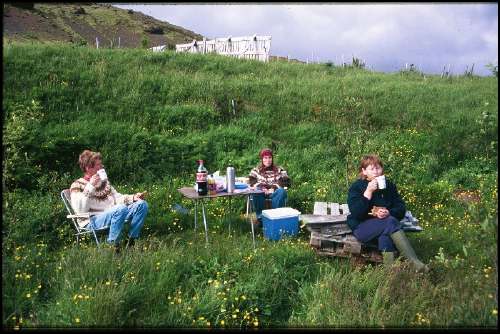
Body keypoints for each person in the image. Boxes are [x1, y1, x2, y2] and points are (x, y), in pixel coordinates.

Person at [346, 154, 429, 272]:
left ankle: (389, 273)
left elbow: (401, 208)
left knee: (386, 235)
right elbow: (356, 213)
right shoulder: (357, 187)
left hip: (385, 226)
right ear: (364, 171)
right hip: (363, 228)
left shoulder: (389, 186)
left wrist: (388, 212)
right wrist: (368, 191)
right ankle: (415, 264)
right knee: (390, 223)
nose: (376, 171)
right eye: (372, 168)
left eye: (378, 168)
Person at [70, 150, 148, 252]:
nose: (102, 166)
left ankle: (130, 241)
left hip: (114, 213)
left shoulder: (104, 182)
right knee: (120, 209)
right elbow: (80, 210)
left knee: (142, 205)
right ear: (88, 167)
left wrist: (133, 197)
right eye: (98, 165)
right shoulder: (77, 185)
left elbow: (117, 198)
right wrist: (90, 186)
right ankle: (113, 247)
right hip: (91, 220)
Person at [248, 148, 290, 225]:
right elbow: (251, 180)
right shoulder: (256, 170)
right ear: (262, 159)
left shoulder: (280, 169)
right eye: (265, 158)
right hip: (261, 193)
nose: (268, 160)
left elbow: (286, 181)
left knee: (282, 191)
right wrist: (262, 188)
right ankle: (260, 218)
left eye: (270, 158)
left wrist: (273, 188)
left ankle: (275, 216)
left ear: (272, 158)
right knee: (255, 191)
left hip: (275, 193)